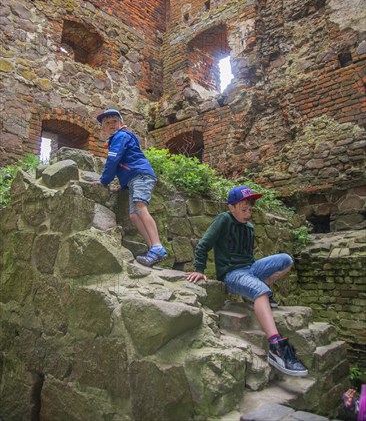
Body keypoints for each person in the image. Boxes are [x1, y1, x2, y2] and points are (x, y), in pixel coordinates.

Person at [186, 185, 308, 377]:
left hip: (249, 269)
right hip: (231, 274)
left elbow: (249, 258)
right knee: (260, 292)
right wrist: (199, 271)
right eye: (244, 209)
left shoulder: (249, 228)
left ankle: (261, 291)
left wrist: (258, 277)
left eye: (250, 209)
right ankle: (276, 346)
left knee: (286, 260)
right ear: (231, 207)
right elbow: (203, 246)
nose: (248, 213)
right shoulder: (223, 220)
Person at [97, 108, 167, 267]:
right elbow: (125, 163)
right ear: (103, 128)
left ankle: (157, 246)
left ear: (122, 123)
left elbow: (113, 161)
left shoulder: (120, 136)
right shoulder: (119, 137)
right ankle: (153, 250)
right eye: (107, 123)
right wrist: (123, 185)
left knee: (141, 208)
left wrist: (104, 181)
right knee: (134, 215)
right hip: (133, 178)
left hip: (140, 175)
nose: (111, 125)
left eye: (115, 121)